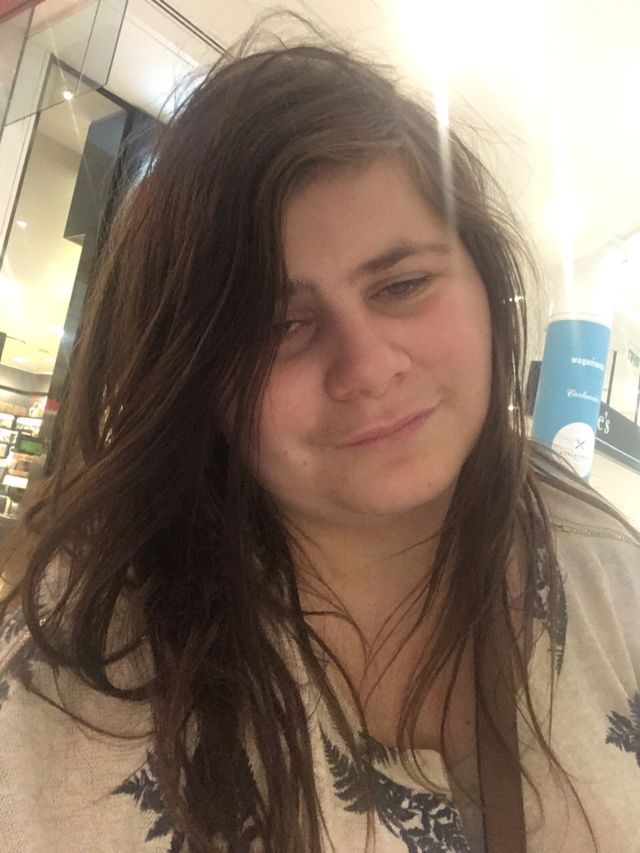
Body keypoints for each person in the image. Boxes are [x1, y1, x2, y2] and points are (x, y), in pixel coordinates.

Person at [0, 26, 638, 853]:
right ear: (196, 378)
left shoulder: (608, 570)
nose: (367, 367)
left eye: (403, 284)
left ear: (486, 285)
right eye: (278, 325)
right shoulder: (67, 693)